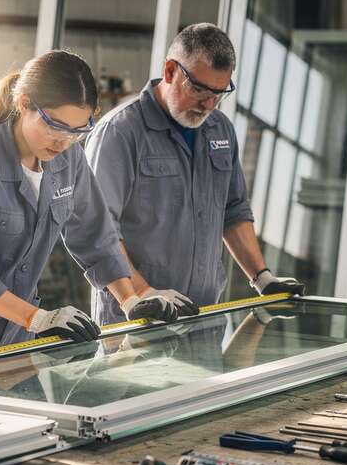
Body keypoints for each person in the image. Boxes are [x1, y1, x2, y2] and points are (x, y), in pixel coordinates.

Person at [0, 50, 196, 360]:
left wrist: (131, 301)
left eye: (77, 131)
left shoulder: (68, 159)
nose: (63, 141)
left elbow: (96, 236)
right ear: (24, 104)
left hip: (10, 336)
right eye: (54, 125)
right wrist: (37, 318)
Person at [85, 23, 305, 325]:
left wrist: (262, 278)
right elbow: (99, 229)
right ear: (170, 71)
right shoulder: (120, 132)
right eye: (199, 89)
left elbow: (233, 210)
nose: (209, 105)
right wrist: (143, 293)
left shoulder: (220, 129)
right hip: (137, 321)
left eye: (219, 93)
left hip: (205, 318)